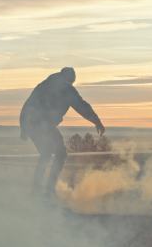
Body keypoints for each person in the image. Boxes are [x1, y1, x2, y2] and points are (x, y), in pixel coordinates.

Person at [20, 67, 105, 197]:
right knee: (60, 154)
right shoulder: (66, 89)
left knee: (46, 154)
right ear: (69, 78)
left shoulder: (44, 85)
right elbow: (81, 106)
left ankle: (37, 189)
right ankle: (48, 190)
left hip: (32, 124)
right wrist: (97, 121)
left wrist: (23, 127)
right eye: (72, 80)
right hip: (43, 124)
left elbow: (28, 104)